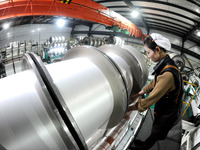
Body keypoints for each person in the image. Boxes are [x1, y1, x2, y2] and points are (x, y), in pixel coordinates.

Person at [129, 33, 184, 150]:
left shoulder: (168, 74)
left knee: (157, 131)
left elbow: (150, 99)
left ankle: (144, 148)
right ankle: (145, 144)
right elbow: (155, 82)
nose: (148, 56)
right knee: (156, 129)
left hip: (169, 111)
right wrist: (141, 92)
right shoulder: (166, 64)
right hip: (166, 106)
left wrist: (129, 108)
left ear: (157, 50)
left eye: (148, 52)